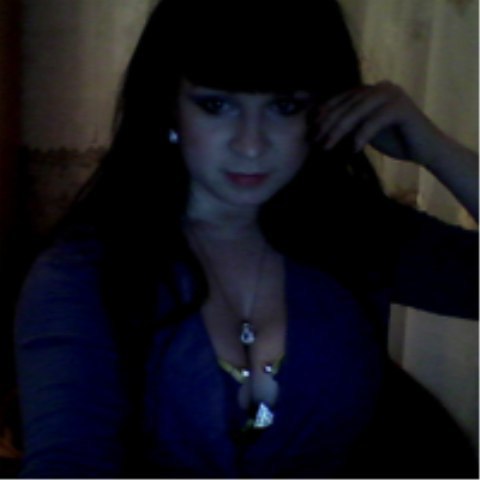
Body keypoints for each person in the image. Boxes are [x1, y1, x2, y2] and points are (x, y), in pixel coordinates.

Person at [14, 0, 478, 477]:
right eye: (216, 105)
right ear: (167, 105)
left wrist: (435, 148)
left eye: (284, 107)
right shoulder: (84, 272)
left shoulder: (356, 232)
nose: (251, 144)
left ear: (326, 109)